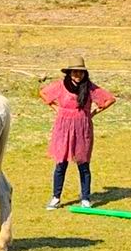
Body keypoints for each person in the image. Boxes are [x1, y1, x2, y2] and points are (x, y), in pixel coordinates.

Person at [40, 57, 115, 209]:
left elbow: (110, 99)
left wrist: (93, 112)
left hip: (82, 127)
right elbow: (43, 94)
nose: (77, 75)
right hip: (63, 127)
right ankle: (56, 197)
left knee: (83, 164)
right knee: (61, 163)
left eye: (80, 72)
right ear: (69, 73)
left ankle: (86, 198)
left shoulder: (90, 87)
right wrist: (57, 109)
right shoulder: (61, 86)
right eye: (74, 72)